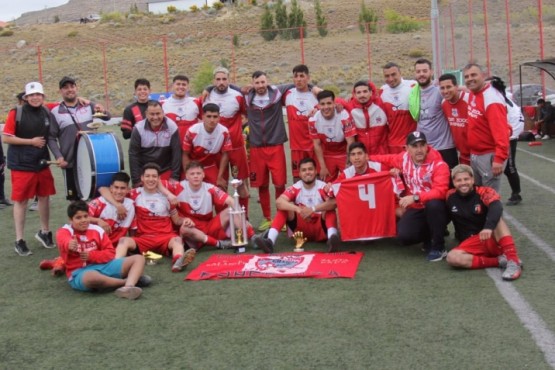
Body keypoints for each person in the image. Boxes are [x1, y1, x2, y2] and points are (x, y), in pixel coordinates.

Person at [370, 131, 450, 261]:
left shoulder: (438, 163)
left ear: (427, 146)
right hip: (416, 208)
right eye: (414, 146)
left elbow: (440, 191)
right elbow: (387, 159)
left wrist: (415, 197)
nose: (419, 150)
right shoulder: (403, 158)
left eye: (422, 145)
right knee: (404, 236)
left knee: (434, 204)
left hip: (437, 207)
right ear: (407, 148)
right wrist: (366, 158)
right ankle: (429, 236)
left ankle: (439, 247)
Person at [3, 82, 56, 256]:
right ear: (26, 97)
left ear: (43, 96)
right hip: (21, 164)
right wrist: (30, 142)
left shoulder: (46, 110)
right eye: (31, 95)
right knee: (21, 201)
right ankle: (19, 240)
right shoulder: (16, 113)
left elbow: (64, 103)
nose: (35, 98)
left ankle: (45, 232)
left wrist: (84, 100)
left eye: (38, 95)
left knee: (44, 197)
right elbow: (7, 138)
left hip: (41, 162)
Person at [56, 200, 149, 300]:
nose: (83, 220)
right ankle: (126, 283)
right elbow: (64, 241)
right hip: (80, 273)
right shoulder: (64, 231)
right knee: (91, 277)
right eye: (78, 218)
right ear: (71, 220)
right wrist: (69, 244)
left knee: (139, 258)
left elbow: (110, 253)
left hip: (104, 266)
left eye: (86, 216)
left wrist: (91, 256)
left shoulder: (97, 230)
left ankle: (129, 286)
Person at [445, 165, 522, 281]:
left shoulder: (484, 191)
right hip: (469, 242)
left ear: (473, 179)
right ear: (453, 182)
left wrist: (488, 227)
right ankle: (500, 261)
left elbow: (496, 206)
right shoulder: (449, 196)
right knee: (452, 258)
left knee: (497, 220)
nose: (463, 183)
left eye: (466, 179)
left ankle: (513, 261)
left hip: (488, 237)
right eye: (459, 180)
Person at [113, 163, 194, 272]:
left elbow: (177, 220)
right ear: (142, 178)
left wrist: (185, 220)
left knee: (177, 240)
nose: (151, 179)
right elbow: (104, 190)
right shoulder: (134, 194)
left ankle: (178, 262)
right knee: (123, 241)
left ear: (159, 179)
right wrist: (118, 205)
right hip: (143, 239)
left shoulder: (167, 197)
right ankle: (115, 266)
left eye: (154, 176)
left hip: (164, 237)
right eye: (147, 176)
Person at [252, 158, 340, 253]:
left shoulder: (323, 186)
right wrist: (298, 209)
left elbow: (334, 203)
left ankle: (332, 239)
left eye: (310, 169)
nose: (307, 172)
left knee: (329, 210)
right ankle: (269, 241)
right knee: (284, 208)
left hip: (321, 229)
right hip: (301, 230)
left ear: (315, 171)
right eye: (304, 170)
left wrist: (313, 209)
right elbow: (279, 202)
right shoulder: (296, 187)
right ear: (299, 173)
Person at [48, 76, 111, 200]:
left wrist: (101, 109)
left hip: (92, 159)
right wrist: (59, 157)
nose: (69, 90)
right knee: (75, 201)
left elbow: (107, 117)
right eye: (65, 87)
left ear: (76, 88)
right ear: (60, 91)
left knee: (95, 197)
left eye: (72, 86)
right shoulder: (55, 112)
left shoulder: (88, 105)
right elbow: (50, 137)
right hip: (70, 162)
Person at [244, 71, 292, 231]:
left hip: (276, 145)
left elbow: (299, 84)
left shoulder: (277, 92)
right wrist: (208, 89)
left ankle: (281, 217)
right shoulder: (246, 96)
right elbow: (224, 86)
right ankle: (267, 218)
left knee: (279, 184)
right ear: (252, 83)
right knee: (262, 185)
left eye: (263, 82)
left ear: (268, 82)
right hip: (257, 147)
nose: (260, 86)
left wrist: (315, 90)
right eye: (257, 83)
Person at [169, 161, 253, 251]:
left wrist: (242, 219)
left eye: (198, 173)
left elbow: (231, 201)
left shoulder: (210, 188)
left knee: (230, 211)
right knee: (184, 229)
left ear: (203, 175)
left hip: (208, 227)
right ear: (186, 176)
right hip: (191, 230)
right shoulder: (177, 187)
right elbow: (158, 183)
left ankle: (252, 238)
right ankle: (219, 244)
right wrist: (168, 194)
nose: (196, 176)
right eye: (192, 174)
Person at [202, 66, 250, 214]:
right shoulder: (207, 96)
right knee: (220, 184)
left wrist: (238, 131)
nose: (221, 82)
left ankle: (244, 218)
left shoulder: (237, 96)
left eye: (224, 79)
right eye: (218, 79)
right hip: (216, 149)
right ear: (213, 81)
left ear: (229, 80)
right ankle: (223, 218)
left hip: (236, 148)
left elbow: (246, 114)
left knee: (240, 184)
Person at [463, 63, 510, 193]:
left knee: (490, 198)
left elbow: (502, 132)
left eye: (473, 75)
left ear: (483, 75)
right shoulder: (474, 93)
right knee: (478, 194)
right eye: (466, 76)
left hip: (489, 155)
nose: (470, 79)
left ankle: (496, 214)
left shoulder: (491, 98)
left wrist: (499, 158)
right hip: (476, 154)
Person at [410, 59, 458, 170]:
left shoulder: (440, 91)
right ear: (415, 74)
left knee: (450, 183)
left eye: (424, 71)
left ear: (431, 72)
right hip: (425, 149)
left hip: (445, 147)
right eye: (418, 71)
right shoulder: (413, 93)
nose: (421, 74)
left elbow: (457, 92)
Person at [488, 76, 524, 206]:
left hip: (510, 133)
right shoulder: (503, 94)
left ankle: (516, 194)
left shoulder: (498, 99)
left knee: (509, 166)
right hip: (512, 130)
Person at [129, 100, 181, 187]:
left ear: (163, 113)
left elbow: (176, 152)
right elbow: (133, 155)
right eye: (152, 114)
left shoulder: (172, 126)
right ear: (146, 114)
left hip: (165, 170)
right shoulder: (138, 129)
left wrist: (175, 176)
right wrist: (136, 180)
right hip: (145, 172)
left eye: (158, 113)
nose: (155, 117)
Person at [181, 103, 232, 189]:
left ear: (219, 117)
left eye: (215, 117)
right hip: (193, 166)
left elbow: (225, 154)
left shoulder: (224, 131)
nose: (212, 120)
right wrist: (188, 173)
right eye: (209, 116)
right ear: (203, 116)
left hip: (210, 166)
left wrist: (220, 177)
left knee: (219, 189)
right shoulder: (192, 131)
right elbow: (185, 154)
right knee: (186, 190)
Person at [309, 90, 356, 182]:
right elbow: (316, 144)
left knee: (349, 181)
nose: (326, 107)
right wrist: (322, 167)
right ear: (318, 105)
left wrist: (348, 162)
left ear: (334, 103)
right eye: (322, 104)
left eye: (329, 103)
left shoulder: (344, 116)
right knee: (326, 183)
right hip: (327, 154)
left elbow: (350, 142)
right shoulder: (313, 119)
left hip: (343, 153)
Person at [283, 64, 319, 181]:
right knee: (298, 178)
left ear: (308, 78)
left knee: (317, 177)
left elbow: (333, 101)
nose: (299, 79)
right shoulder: (288, 94)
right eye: (296, 76)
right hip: (297, 147)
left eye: (302, 76)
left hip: (314, 145)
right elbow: (268, 90)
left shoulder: (316, 95)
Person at [337, 80, 389, 155]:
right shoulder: (349, 107)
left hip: (381, 154)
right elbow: (331, 99)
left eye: (365, 91)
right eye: (359, 92)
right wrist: (317, 107)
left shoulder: (380, 103)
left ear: (371, 93)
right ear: (354, 95)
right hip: (362, 156)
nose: (362, 95)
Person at [89, 172, 136, 246]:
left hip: (117, 247)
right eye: (116, 187)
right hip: (96, 245)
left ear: (128, 189)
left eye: (122, 188)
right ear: (110, 188)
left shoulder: (131, 204)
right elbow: (77, 219)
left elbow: (133, 230)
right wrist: (98, 220)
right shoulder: (99, 203)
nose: (119, 191)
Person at [380, 62, 417, 154]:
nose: (390, 79)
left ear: (400, 73)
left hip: (412, 142)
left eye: (393, 75)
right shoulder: (382, 91)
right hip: (392, 144)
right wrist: (342, 102)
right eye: (387, 76)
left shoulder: (413, 86)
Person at [439, 73, 470, 165]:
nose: (445, 91)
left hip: (478, 152)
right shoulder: (444, 103)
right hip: (463, 153)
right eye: (442, 88)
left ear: (456, 87)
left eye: (449, 87)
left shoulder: (469, 99)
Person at [162, 74, 202, 141]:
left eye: (184, 84)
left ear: (188, 87)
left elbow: (206, 120)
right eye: (178, 84)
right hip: (171, 146)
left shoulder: (196, 102)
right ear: (172, 86)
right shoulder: (162, 104)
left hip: (191, 145)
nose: (181, 87)